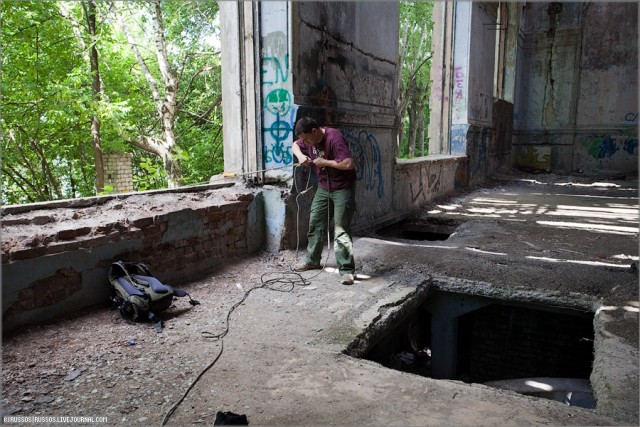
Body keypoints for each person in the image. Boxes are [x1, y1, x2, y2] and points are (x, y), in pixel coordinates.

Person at [291, 117, 357, 285]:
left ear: (314, 131)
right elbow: (295, 145)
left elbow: (349, 163)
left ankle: (347, 270)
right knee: (316, 222)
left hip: (342, 188)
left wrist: (325, 162)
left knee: (341, 229)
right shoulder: (307, 140)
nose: (305, 142)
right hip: (324, 188)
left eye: (306, 138)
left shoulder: (334, 137)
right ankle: (312, 260)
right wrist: (300, 156)